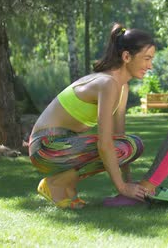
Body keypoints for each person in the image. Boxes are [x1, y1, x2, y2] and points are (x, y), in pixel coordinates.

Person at [28, 23, 155, 209]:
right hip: (45, 147)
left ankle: (65, 185)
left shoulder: (121, 87)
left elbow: (120, 138)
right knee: (126, 145)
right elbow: (105, 144)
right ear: (127, 56)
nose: (150, 66)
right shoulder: (107, 84)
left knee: (130, 145)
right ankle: (56, 184)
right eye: (146, 59)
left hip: (65, 146)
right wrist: (121, 187)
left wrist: (129, 181)